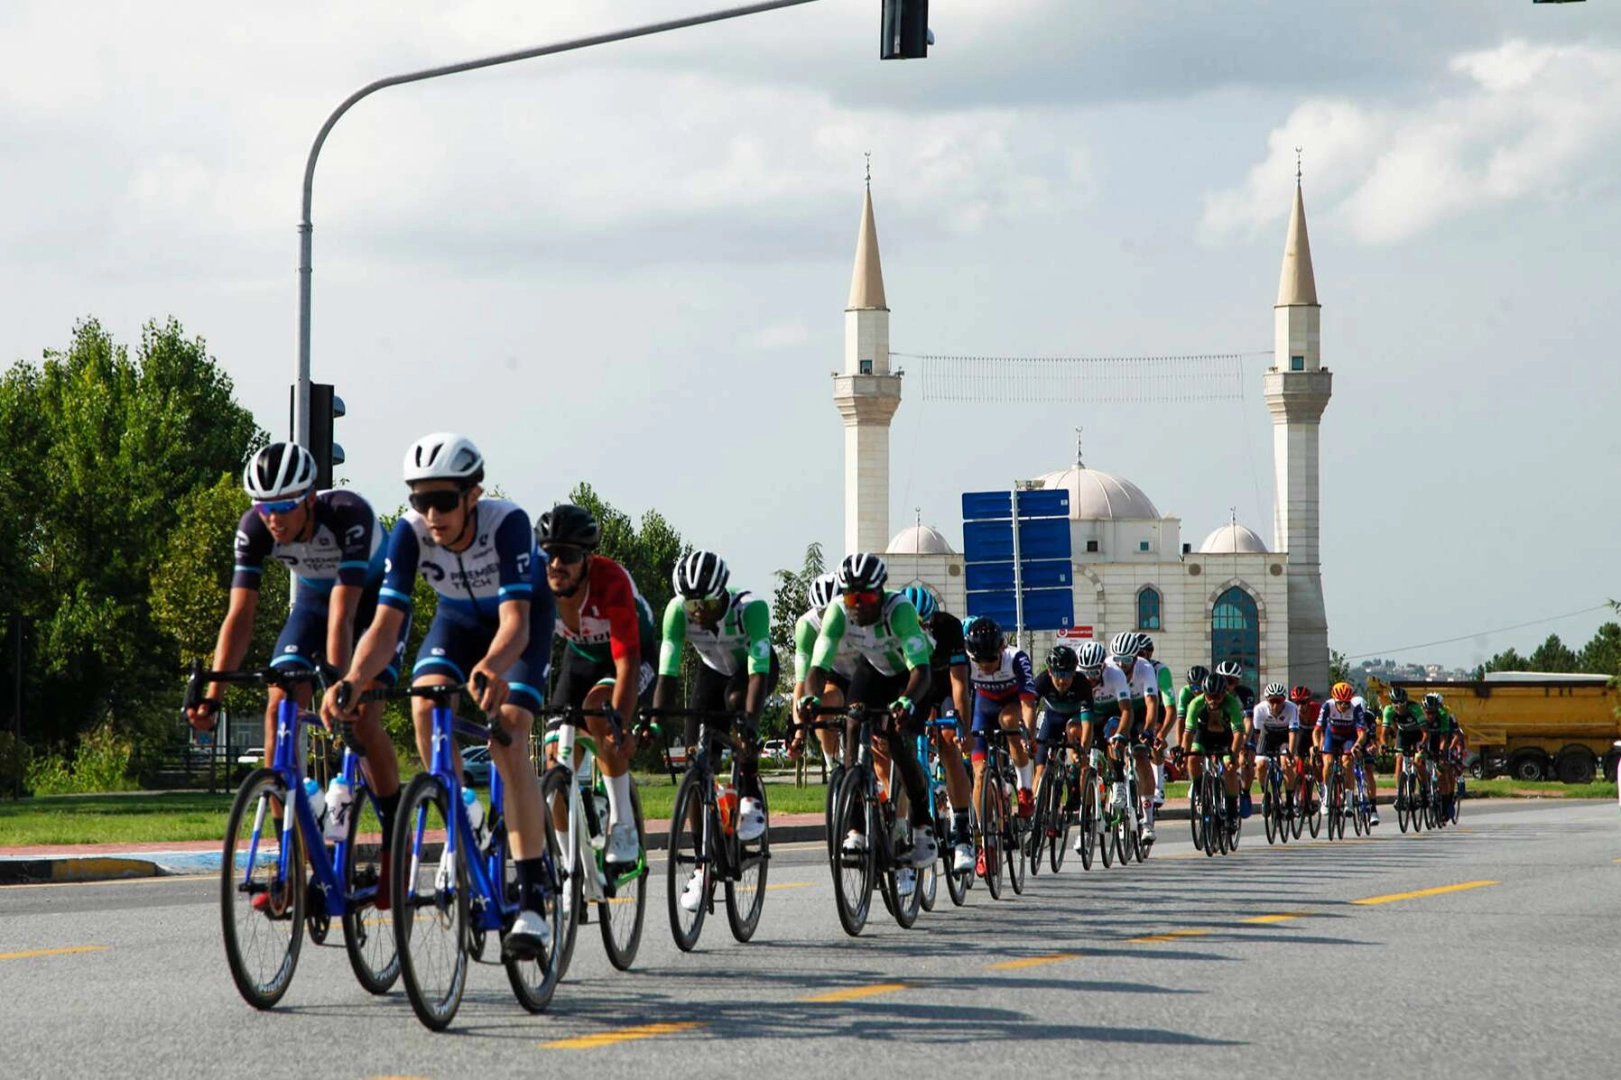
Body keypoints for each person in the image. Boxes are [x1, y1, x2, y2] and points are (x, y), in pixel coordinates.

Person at [324, 433, 557, 956]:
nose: (432, 513)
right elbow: (386, 625)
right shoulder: (410, 534)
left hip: (517, 628)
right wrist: (353, 679)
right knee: (425, 704)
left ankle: (533, 900)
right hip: (456, 623)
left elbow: (516, 623)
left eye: (444, 500)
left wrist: (491, 667)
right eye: (420, 499)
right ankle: (461, 813)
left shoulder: (508, 523)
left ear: (473, 495)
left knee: (508, 735)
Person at [186, 442, 409, 907]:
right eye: (264, 507)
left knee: (363, 719)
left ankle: (396, 835)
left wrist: (341, 687)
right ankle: (291, 865)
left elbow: (344, 617)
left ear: (309, 498)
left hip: (372, 605)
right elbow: (239, 617)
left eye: (285, 506)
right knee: (279, 705)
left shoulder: (348, 515)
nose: (273, 518)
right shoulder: (254, 527)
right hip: (312, 604)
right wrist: (213, 695)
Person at [798, 554, 936, 891]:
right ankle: (856, 827)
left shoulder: (899, 610)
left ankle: (922, 822)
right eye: (851, 598)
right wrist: (810, 699)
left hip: (911, 677)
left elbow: (920, 670)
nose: (857, 606)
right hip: (873, 670)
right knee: (852, 720)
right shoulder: (838, 612)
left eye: (866, 597)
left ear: (880, 592)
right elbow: (818, 667)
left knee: (898, 740)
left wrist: (906, 701)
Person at [654, 550, 777, 912]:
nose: (698, 612)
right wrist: (656, 719)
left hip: (751, 673)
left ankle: (749, 793)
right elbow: (667, 672)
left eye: (706, 604)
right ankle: (701, 866)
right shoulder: (677, 612)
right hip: (712, 672)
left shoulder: (751, 610)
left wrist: (750, 724)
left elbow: (758, 672)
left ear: (721, 594)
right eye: (692, 604)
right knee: (696, 761)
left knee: (738, 705)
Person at [536, 503, 656, 865]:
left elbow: (627, 663)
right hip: (581, 658)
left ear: (587, 559)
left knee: (599, 713)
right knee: (555, 761)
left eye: (569, 555)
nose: (557, 564)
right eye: (549, 554)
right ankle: (570, 867)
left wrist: (621, 724)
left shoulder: (610, 582)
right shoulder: (535, 583)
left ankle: (622, 824)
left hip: (631, 656)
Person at [903, 585, 976, 876]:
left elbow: (959, 685)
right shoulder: (895, 627)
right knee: (903, 747)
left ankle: (963, 835)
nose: (922, 630)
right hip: (914, 686)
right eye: (916, 625)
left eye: (926, 624)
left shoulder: (949, 628)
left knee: (949, 744)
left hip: (944, 686)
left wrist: (964, 730)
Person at [964, 618, 1039, 851]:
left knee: (1008, 722)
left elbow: (1028, 704)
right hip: (983, 708)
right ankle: (984, 841)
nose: (985, 666)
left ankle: (1025, 788)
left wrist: (1030, 736)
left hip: (1011, 703)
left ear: (1002, 649)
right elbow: (960, 699)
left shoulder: (1016, 659)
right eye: (980, 660)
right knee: (979, 774)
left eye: (991, 659)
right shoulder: (966, 662)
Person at [1032, 645, 1094, 849]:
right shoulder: (1041, 681)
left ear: (1074, 672)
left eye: (1067, 675)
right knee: (1040, 770)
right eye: (1058, 675)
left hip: (1075, 719)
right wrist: (1029, 737)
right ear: (1050, 672)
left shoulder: (1082, 684)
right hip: (1052, 719)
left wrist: (1083, 749)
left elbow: (1087, 724)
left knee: (1075, 734)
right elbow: (1029, 710)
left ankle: (1075, 782)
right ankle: (1037, 817)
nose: (1062, 680)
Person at [791, 573, 852, 776]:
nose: (828, 618)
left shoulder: (859, 615)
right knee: (821, 705)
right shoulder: (807, 625)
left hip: (868, 670)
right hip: (836, 675)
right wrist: (799, 733)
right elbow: (801, 684)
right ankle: (835, 768)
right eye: (822, 612)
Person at [1107, 632, 1162, 841]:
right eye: (1117, 659)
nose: (1122, 665)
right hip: (1116, 708)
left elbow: (1152, 703)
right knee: (1112, 741)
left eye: (1127, 660)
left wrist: (1148, 730)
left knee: (1140, 756)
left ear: (1135, 658)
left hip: (1139, 710)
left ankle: (1147, 820)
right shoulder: (1109, 667)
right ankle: (1116, 783)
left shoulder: (1145, 668)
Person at [1181, 672, 1246, 831]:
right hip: (1204, 735)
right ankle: (1199, 792)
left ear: (1224, 693)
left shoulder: (1231, 703)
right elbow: (1188, 733)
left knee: (1229, 768)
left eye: (1217, 696)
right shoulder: (1196, 703)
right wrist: (1183, 754)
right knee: (1192, 759)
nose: (1213, 700)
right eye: (1209, 696)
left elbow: (1238, 734)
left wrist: (1233, 754)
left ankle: (1231, 810)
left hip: (1226, 736)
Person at [1314, 682, 1374, 825]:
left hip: (1349, 737)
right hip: (1332, 736)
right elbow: (1317, 730)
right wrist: (1316, 745)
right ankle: (1326, 798)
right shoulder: (1327, 706)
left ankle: (1348, 800)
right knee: (1327, 761)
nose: (1344, 706)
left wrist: (1357, 745)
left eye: (1347, 703)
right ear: (1335, 700)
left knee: (1348, 762)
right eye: (1340, 703)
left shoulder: (1355, 708)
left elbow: (1362, 733)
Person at [1137, 636, 1177, 807]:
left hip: (1157, 708)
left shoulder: (1160, 671)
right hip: (1137, 707)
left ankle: (1158, 787)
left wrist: (1162, 734)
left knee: (1155, 740)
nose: (1137, 658)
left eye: (1141, 654)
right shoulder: (1126, 667)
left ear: (1150, 653)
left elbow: (1171, 710)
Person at [1250, 682, 1301, 806]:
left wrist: (1291, 754)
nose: (1275, 705)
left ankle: (1289, 799)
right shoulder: (1259, 709)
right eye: (1272, 701)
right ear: (1267, 700)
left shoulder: (1292, 708)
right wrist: (1255, 754)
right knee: (1261, 765)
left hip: (1285, 736)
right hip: (1267, 735)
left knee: (1286, 763)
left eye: (1279, 701)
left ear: (1284, 699)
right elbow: (1256, 734)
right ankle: (1265, 792)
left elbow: (1293, 734)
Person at [1422, 692, 1463, 820]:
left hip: (1448, 741)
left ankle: (1448, 800)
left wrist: (1451, 748)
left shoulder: (1448, 715)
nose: (1433, 712)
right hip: (1434, 740)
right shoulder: (1424, 717)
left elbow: (1457, 734)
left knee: (1447, 771)